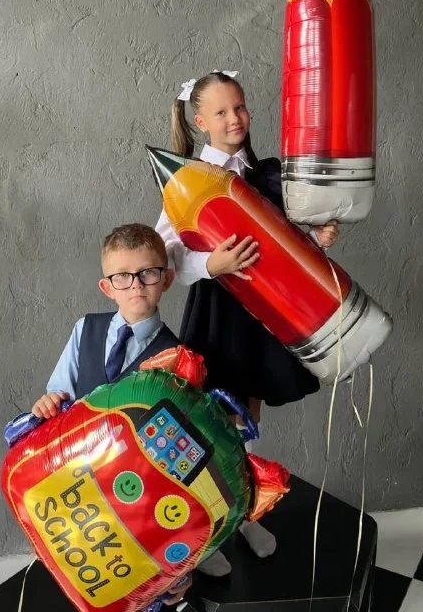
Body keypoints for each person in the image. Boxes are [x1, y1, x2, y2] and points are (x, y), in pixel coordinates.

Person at [156, 70, 339, 576]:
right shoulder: (188, 180)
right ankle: (207, 531)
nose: (235, 119)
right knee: (213, 424)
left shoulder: (267, 172)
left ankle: (242, 515)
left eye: (239, 107)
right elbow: (165, 256)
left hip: (265, 313)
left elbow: (288, 237)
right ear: (200, 122)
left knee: (247, 421)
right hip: (220, 316)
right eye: (221, 112)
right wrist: (210, 264)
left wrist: (317, 236)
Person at [32, 223, 189, 604]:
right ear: (107, 286)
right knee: (83, 580)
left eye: (148, 273)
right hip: (77, 486)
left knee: (134, 583)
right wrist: (47, 404)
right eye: (123, 276)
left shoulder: (177, 358)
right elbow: (59, 395)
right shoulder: (85, 329)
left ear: (166, 279)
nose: (136, 285)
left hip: (135, 495)